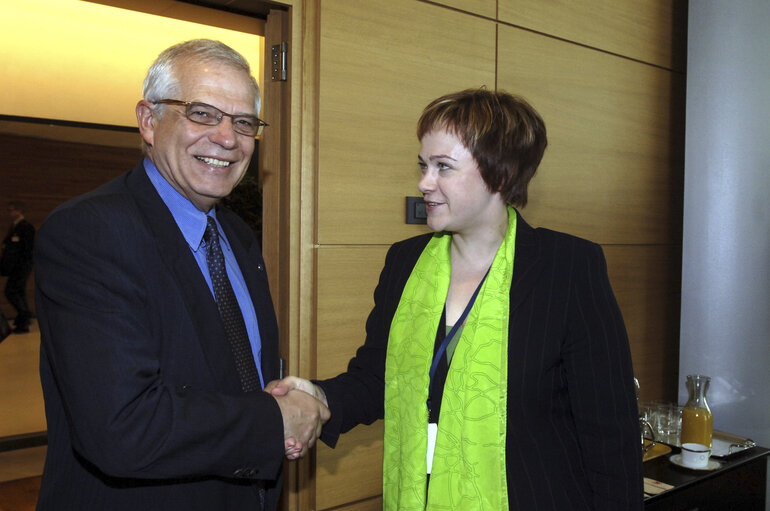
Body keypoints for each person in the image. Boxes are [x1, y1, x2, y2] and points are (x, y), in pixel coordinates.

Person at [269, 89, 643, 509]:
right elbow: (377, 377)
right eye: (423, 165)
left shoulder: (568, 268)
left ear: (499, 176)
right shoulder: (405, 263)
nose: (424, 182)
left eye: (443, 167)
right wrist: (318, 397)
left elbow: (610, 432)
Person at [34, 39, 329, 511]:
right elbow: (123, 428)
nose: (228, 138)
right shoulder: (90, 232)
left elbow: (226, 370)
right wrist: (274, 420)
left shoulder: (236, 234)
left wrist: (284, 397)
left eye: (243, 122)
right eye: (203, 113)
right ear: (149, 121)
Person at [1, 201, 35, 333]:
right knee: (19, 292)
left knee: (11, 291)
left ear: (19, 211)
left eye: (11, 210)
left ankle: (25, 314)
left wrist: (21, 265)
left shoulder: (26, 227)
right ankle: (23, 323)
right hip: (14, 267)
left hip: (21, 266)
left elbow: (26, 250)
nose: (9, 213)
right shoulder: (14, 227)